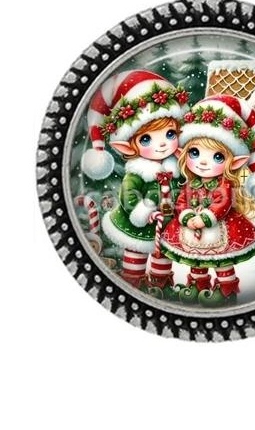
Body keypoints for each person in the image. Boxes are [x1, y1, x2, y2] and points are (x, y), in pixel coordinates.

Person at [80, 70, 189, 289]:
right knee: (135, 254)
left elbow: (181, 191)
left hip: (166, 225)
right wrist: (144, 211)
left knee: (163, 255)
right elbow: (128, 196)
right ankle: (133, 282)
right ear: (128, 146)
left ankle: (160, 284)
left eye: (170, 134)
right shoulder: (137, 173)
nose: (162, 144)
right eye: (147, 139)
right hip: (137, 225)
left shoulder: (175, 169)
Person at [160, 95, 255, 303]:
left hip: (220, 229)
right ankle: (197, 285)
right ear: (182, 153)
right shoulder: (190, 183)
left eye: (217, 156)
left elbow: (222, 203)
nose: (203, 162)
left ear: (234, 162)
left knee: (222, 262)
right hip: (191, 230)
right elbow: (182, 201)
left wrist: (206, 218)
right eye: (194, 152)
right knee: (196, 259)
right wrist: (186, 216)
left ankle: (226, 290)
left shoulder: (224, 184)